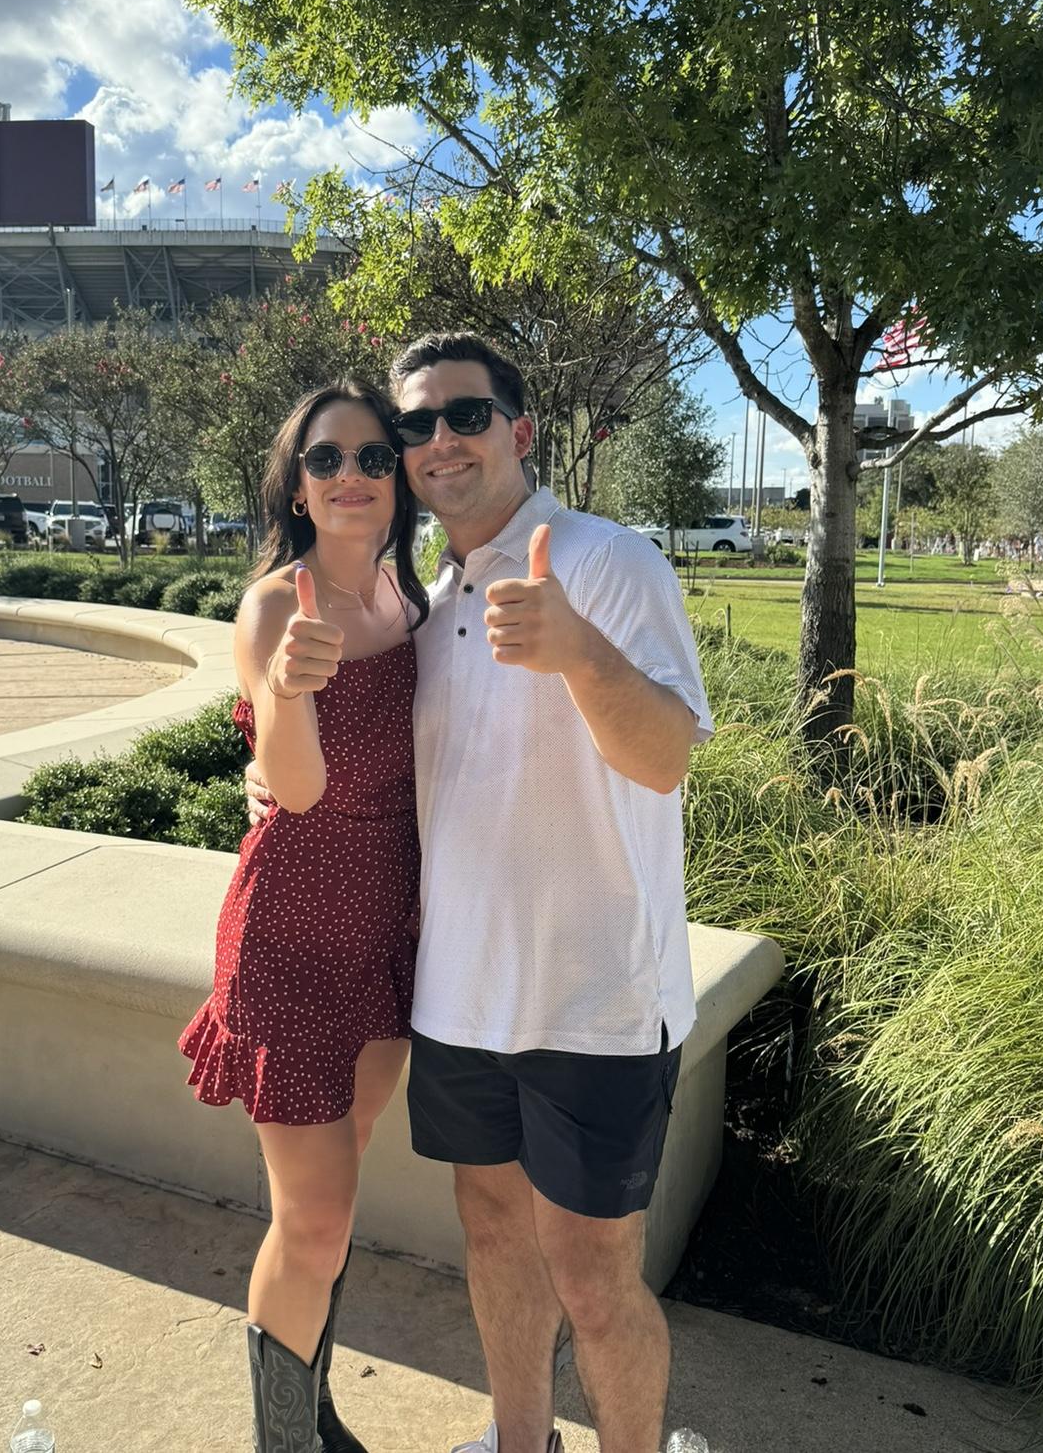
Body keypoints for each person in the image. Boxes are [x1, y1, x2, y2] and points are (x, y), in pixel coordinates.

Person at [252, 333, 713, 1453]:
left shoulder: (606, 562)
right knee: (497, 1240)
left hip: (596, 1003)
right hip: (458, 997)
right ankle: (521, 1444)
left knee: (594, 1279)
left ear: (521, 430)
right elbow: (368, 760)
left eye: (465, 415)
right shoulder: (427, 598)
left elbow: (666, 759)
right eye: (414, 426)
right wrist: (263, 755)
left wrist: (581, 654)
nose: (438, 442)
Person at [180, 378, 431, 1451]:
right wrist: (284, 691)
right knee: (315, 1219)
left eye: (373, 456)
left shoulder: (413, 601)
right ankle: (282, 1443)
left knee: (341, 1187)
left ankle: (312, 1416)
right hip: (293, 932)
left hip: (387, 931)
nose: (350, 475)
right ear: (295, 484)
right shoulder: (276, 608)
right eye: (326, 458)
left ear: (399, 479)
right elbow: (297, 788)